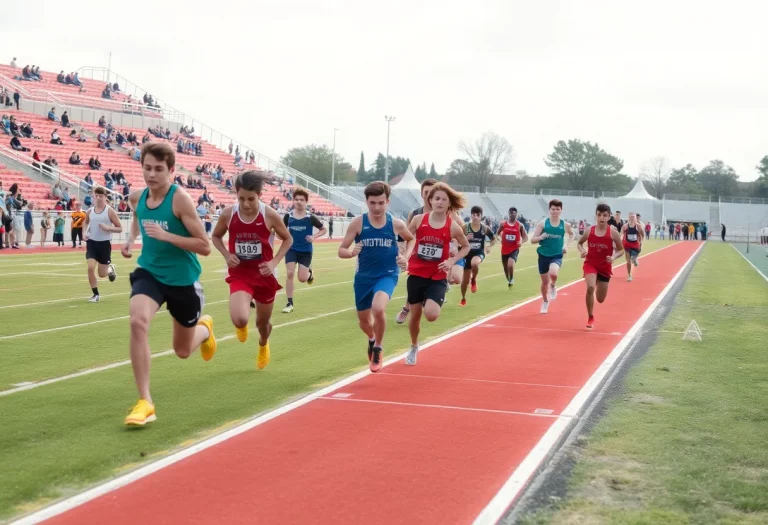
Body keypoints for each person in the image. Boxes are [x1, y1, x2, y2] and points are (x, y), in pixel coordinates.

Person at [122, 143, 216, 427]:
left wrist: (166, 236)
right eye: (147, 168)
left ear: (172, 171)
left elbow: (204, 246)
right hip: (149, 272)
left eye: (159, 170)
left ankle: (205, 329)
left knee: (183, 351)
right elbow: (137, 213)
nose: (152, 175)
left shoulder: (180, 200)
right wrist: (131, 239)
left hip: (182, 281)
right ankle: (145, 401)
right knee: (138, 322)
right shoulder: (136, 197)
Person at [212, 171, 293, 370]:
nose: (246, 204)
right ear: (236, 194)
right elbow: (215, 237)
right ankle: (241, 325)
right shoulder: (229, 214)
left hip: (265, 276)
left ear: (260, 195)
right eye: (241, 199)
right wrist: (226, 254)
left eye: (251, 199)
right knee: (240, 319)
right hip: (241, 274)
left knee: (262, 325)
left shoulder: (269, 214)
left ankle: (263, 344)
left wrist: (273, 263)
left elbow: (288, 239)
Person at [338, 181, 413, 372]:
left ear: (387, 201)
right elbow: (341, 250)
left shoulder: (395, 224)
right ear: (366, 201)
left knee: (378, 309)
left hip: (387, 275)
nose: (377, 207)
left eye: (381, 203)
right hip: (363, 277)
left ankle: (378, 348)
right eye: (373, 203)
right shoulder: (358, 223)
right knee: (364, 321)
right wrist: (352, 252)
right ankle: (371, 339)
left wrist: (405, 257)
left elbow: (412, 239)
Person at [405, 183, 470, 365]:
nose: (440, 202)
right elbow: (408, 239)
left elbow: (466, 247)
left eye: (444, 199)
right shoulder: (419, 220)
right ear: (430, 200)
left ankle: (433, 297)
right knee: (415, 315)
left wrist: (451, 260)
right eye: (437, 198)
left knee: (431, 315)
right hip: (417, 274)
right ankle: (413, 346)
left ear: (449, 204)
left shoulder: (453, 227)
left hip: (437, 275)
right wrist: (405, 254)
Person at [394, 178, 464, 324]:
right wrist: (403, 252)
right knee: (415, 284)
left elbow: (460, 231)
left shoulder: (448, 213)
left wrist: (454, 246)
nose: (428, 195)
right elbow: (406, 234)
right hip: (418, 258)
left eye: (430, 192)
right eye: (426, 193)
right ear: (423, 195)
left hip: (439, 263)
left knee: (446, 281)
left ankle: (438, 289)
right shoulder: (416, 214)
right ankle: (406, 309)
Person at [578, 204, 624, 329]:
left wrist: (614, 257)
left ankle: (598, 280)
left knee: (600, 299)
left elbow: (621, 250)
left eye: (604, 215)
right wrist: (582, 250)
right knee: (590, 287)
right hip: (591, 264)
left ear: (609, 217)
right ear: (596, 216)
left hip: (604, 267)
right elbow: (580, 243)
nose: (601, 218)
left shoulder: (613, 233)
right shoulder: (589, 230)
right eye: (599, 215)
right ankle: (590, 317)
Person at [281, 187, 327, 314]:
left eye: (301, 200)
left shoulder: (310, 217)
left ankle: (309, 273)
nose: (298, 202)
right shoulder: (288, 216)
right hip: (291, 249)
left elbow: (323, 229)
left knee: (302, 278)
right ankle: (289, 303)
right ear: (293, 201)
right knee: (289, 273)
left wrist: (314, 237)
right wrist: (281, 235)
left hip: (305, 251)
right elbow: (281, 231)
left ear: (306, 201)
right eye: (296, 199)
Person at [530, 199, 575, 314]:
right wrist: (541, 237)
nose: (555, 211)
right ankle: (545, 301)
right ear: (549, 210)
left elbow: (572, 235)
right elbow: (533, 240)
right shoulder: (543, 223)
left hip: (557, 255)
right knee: (544, 282)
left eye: (557, 209)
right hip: (543, 255)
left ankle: (553, 285)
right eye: (553, 209)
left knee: (553, 273)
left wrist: (566, 245)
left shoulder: (565, 224)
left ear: (561, 210)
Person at [83, 186, 121, 302]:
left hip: (104, 245)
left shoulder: (109, 211)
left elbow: (119, 228)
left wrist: (107, 227)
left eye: (101, 196)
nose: (98, 198)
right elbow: (85, 223)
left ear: (105, 197)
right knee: (90, 268)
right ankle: (96, 295)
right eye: (96, 196)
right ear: (94, 197)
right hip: (92, 243)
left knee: (102, 274)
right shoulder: (89, 211)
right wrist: (84, 233)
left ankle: (110, 269)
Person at [459, 206, 494, 306]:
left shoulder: (484, 228)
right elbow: (456, 239)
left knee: (474, 263)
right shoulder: (465, 227)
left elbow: (493, 238)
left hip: (478, 253)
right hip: (466, 255)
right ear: (471, 215)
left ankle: (473, 279)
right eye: (473, 215)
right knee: (465, 282)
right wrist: (465, 238)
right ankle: (463, 298)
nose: (475, 217)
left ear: (481, 216)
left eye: (478, 215)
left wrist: (489, 246)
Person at [496, 206, 528, 288]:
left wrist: (521, 241)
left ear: (516, 214)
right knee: (506, 268)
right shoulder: (503, 224)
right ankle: (509, 279)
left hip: (514, 248)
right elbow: (497, 234)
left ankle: (512, 277)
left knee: (510, 265)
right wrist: (500, 239)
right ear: (508, 214)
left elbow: (525, 237)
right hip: (504, 249)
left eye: (514, 213)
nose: (512, 215)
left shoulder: (520, 225)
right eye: (511, 213)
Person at [620, 212, 644, 282]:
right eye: (630, 217)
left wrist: (641, 240)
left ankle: (635, 259)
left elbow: (642, 234)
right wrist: (621, 237)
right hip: (627, 244)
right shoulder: (625, 226)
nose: (632, 219)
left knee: (634, 257)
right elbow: (621, 233)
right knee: (628, 261)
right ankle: (629, 275)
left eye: (633, 217)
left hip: (636, 245)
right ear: (628, 218)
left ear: (635, 218)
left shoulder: (638, 226)